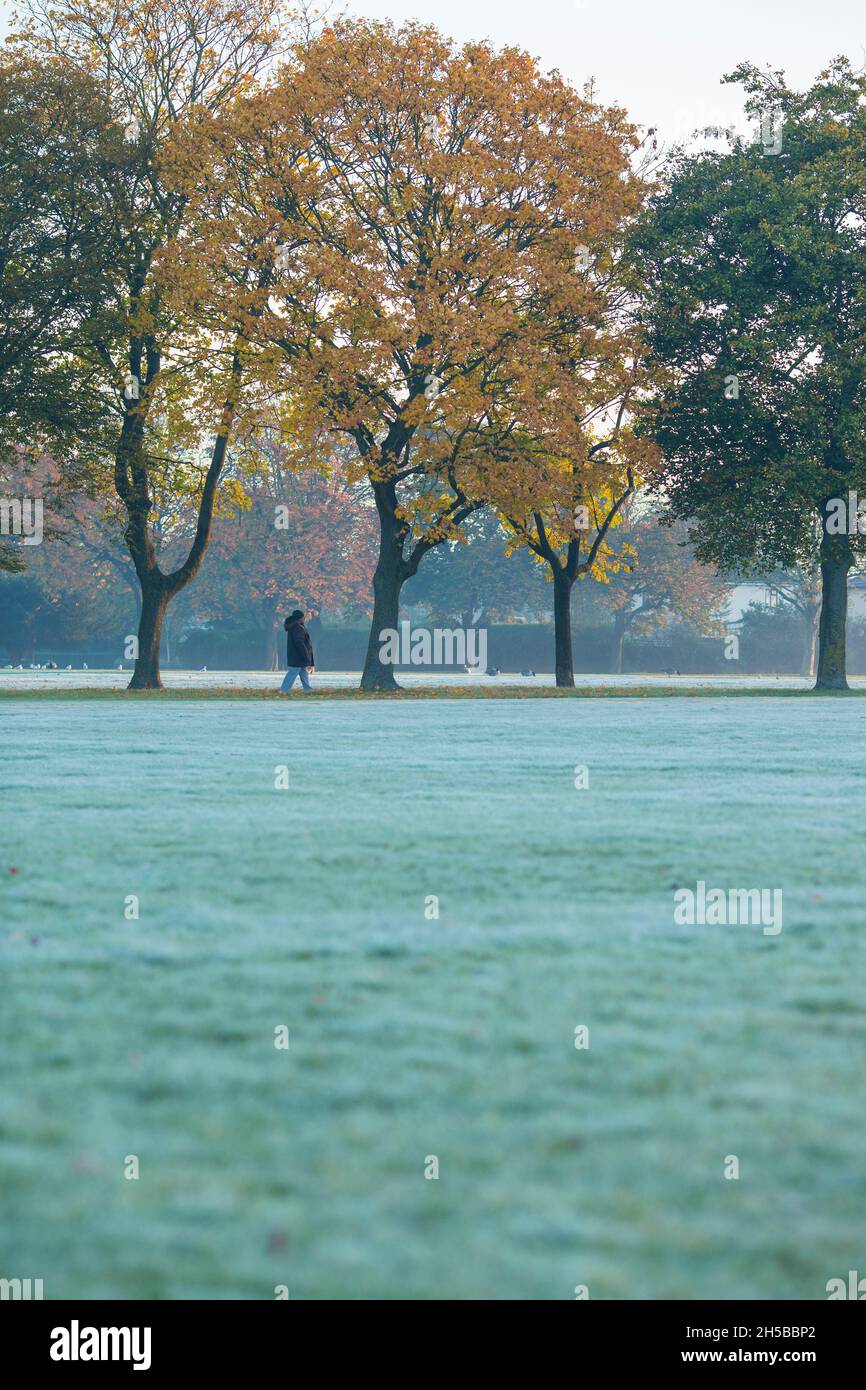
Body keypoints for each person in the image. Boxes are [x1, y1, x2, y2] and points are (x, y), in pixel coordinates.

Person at [280, 610, 316, 692]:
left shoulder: (294, 627)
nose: (304, 619)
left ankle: (308, 689)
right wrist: (306, 656)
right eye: (303, 617)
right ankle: (283, 690)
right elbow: (299, 643)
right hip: (298, 656)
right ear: (300, 618)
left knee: (304, 673)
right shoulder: (298, 628)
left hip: (296, 656)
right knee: (292, 674)